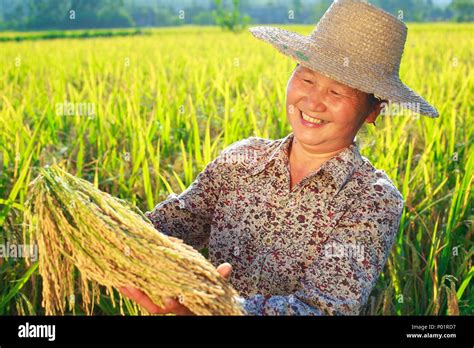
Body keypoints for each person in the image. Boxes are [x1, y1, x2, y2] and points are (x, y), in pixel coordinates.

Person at [120, 0, 438, 315]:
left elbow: (323, 309)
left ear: (372, 111)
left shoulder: (373, 200)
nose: (313, 101)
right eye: (307, 79)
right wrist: (110, 232)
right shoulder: (241, 159)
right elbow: (176, 221)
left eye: (337, 92)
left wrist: (214, 309)